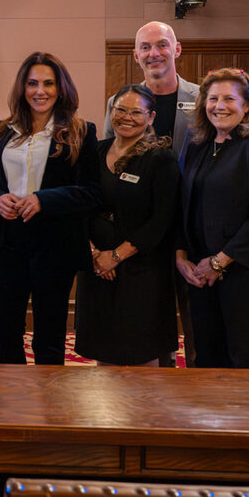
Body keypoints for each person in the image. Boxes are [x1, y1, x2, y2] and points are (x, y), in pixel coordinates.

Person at [0, 51, 100, 366]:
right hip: (10, 242)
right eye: (32, 83)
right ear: (22, 88)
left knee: (48, 334)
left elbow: (90, 191)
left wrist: (43, 199)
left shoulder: (80, 131)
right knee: (5, 330)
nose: (39, 91)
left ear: (61, 88)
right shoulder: (4, 129)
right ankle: (11, 403)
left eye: (48, 83)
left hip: (55, 245)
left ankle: (48, 409)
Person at [103, 20, 199, 365]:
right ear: (136, 55)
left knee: (194, 316)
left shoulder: (202, 99)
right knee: (149, 314)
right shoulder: (121, 101)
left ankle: (195, 389)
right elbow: (108, 162)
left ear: (177, 49)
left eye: (161, 45)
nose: (154, 53)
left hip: (189, 223)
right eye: (145, 47)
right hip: (141, 231)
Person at [176, 68, 249, 369]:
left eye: (229, 99)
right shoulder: (196, 142)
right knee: (207, 356)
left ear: (247, 105)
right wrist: (181, 254)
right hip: (200, 270)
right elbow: (184, 203)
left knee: (245, 356)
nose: (219, 106)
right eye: (212, 98)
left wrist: (219, 262)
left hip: (246, 269)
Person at [77, 85, 180, 366]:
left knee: (138, 355)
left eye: (136, 112)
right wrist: (95, 254)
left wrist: (115, 256)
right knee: (103, 351)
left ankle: (144, 412)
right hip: (96, 267)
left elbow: (161, 221)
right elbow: (79, 205)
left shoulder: (160, 159)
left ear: (151, 117)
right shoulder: (95, 152)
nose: (127, 117)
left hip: (140, 271)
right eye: (121, 109)